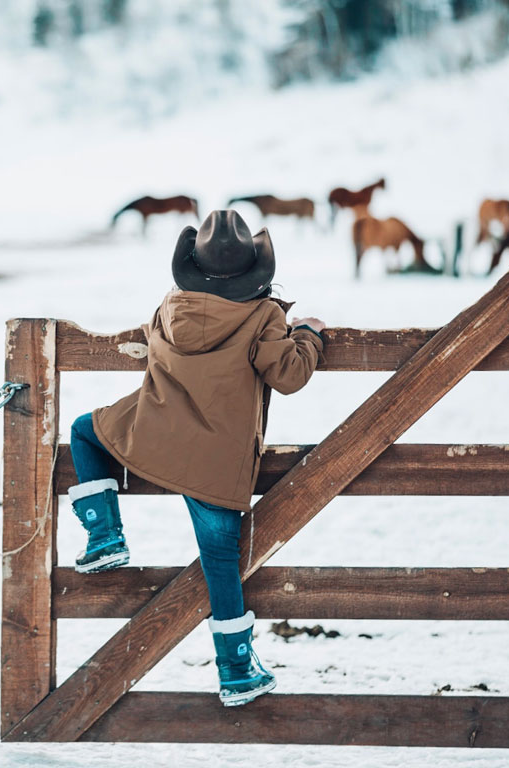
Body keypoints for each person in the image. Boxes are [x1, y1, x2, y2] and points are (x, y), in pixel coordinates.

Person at [67, 209, 325, 707]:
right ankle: (236, 671)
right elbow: (289, 376)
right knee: (221, 563)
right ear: (254, 271)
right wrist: (309, 334)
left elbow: (155, 342)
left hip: (156, 431)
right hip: (217, 461)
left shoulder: (170, 306)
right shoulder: (264, 316)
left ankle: (104, 534)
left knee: (84, 431)